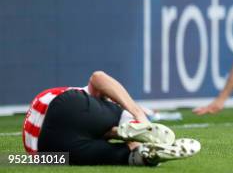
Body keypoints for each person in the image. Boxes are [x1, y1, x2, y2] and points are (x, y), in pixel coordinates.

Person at [22, 70, 200, 165]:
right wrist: (138, 114)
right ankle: (137, 135)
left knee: (123, 156)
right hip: (59, 110)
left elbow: (98, 76)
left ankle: (144, 154)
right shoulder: (92, 97)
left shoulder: (84, 101)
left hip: (46, 155)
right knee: (122, 129)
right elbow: (98, 77)